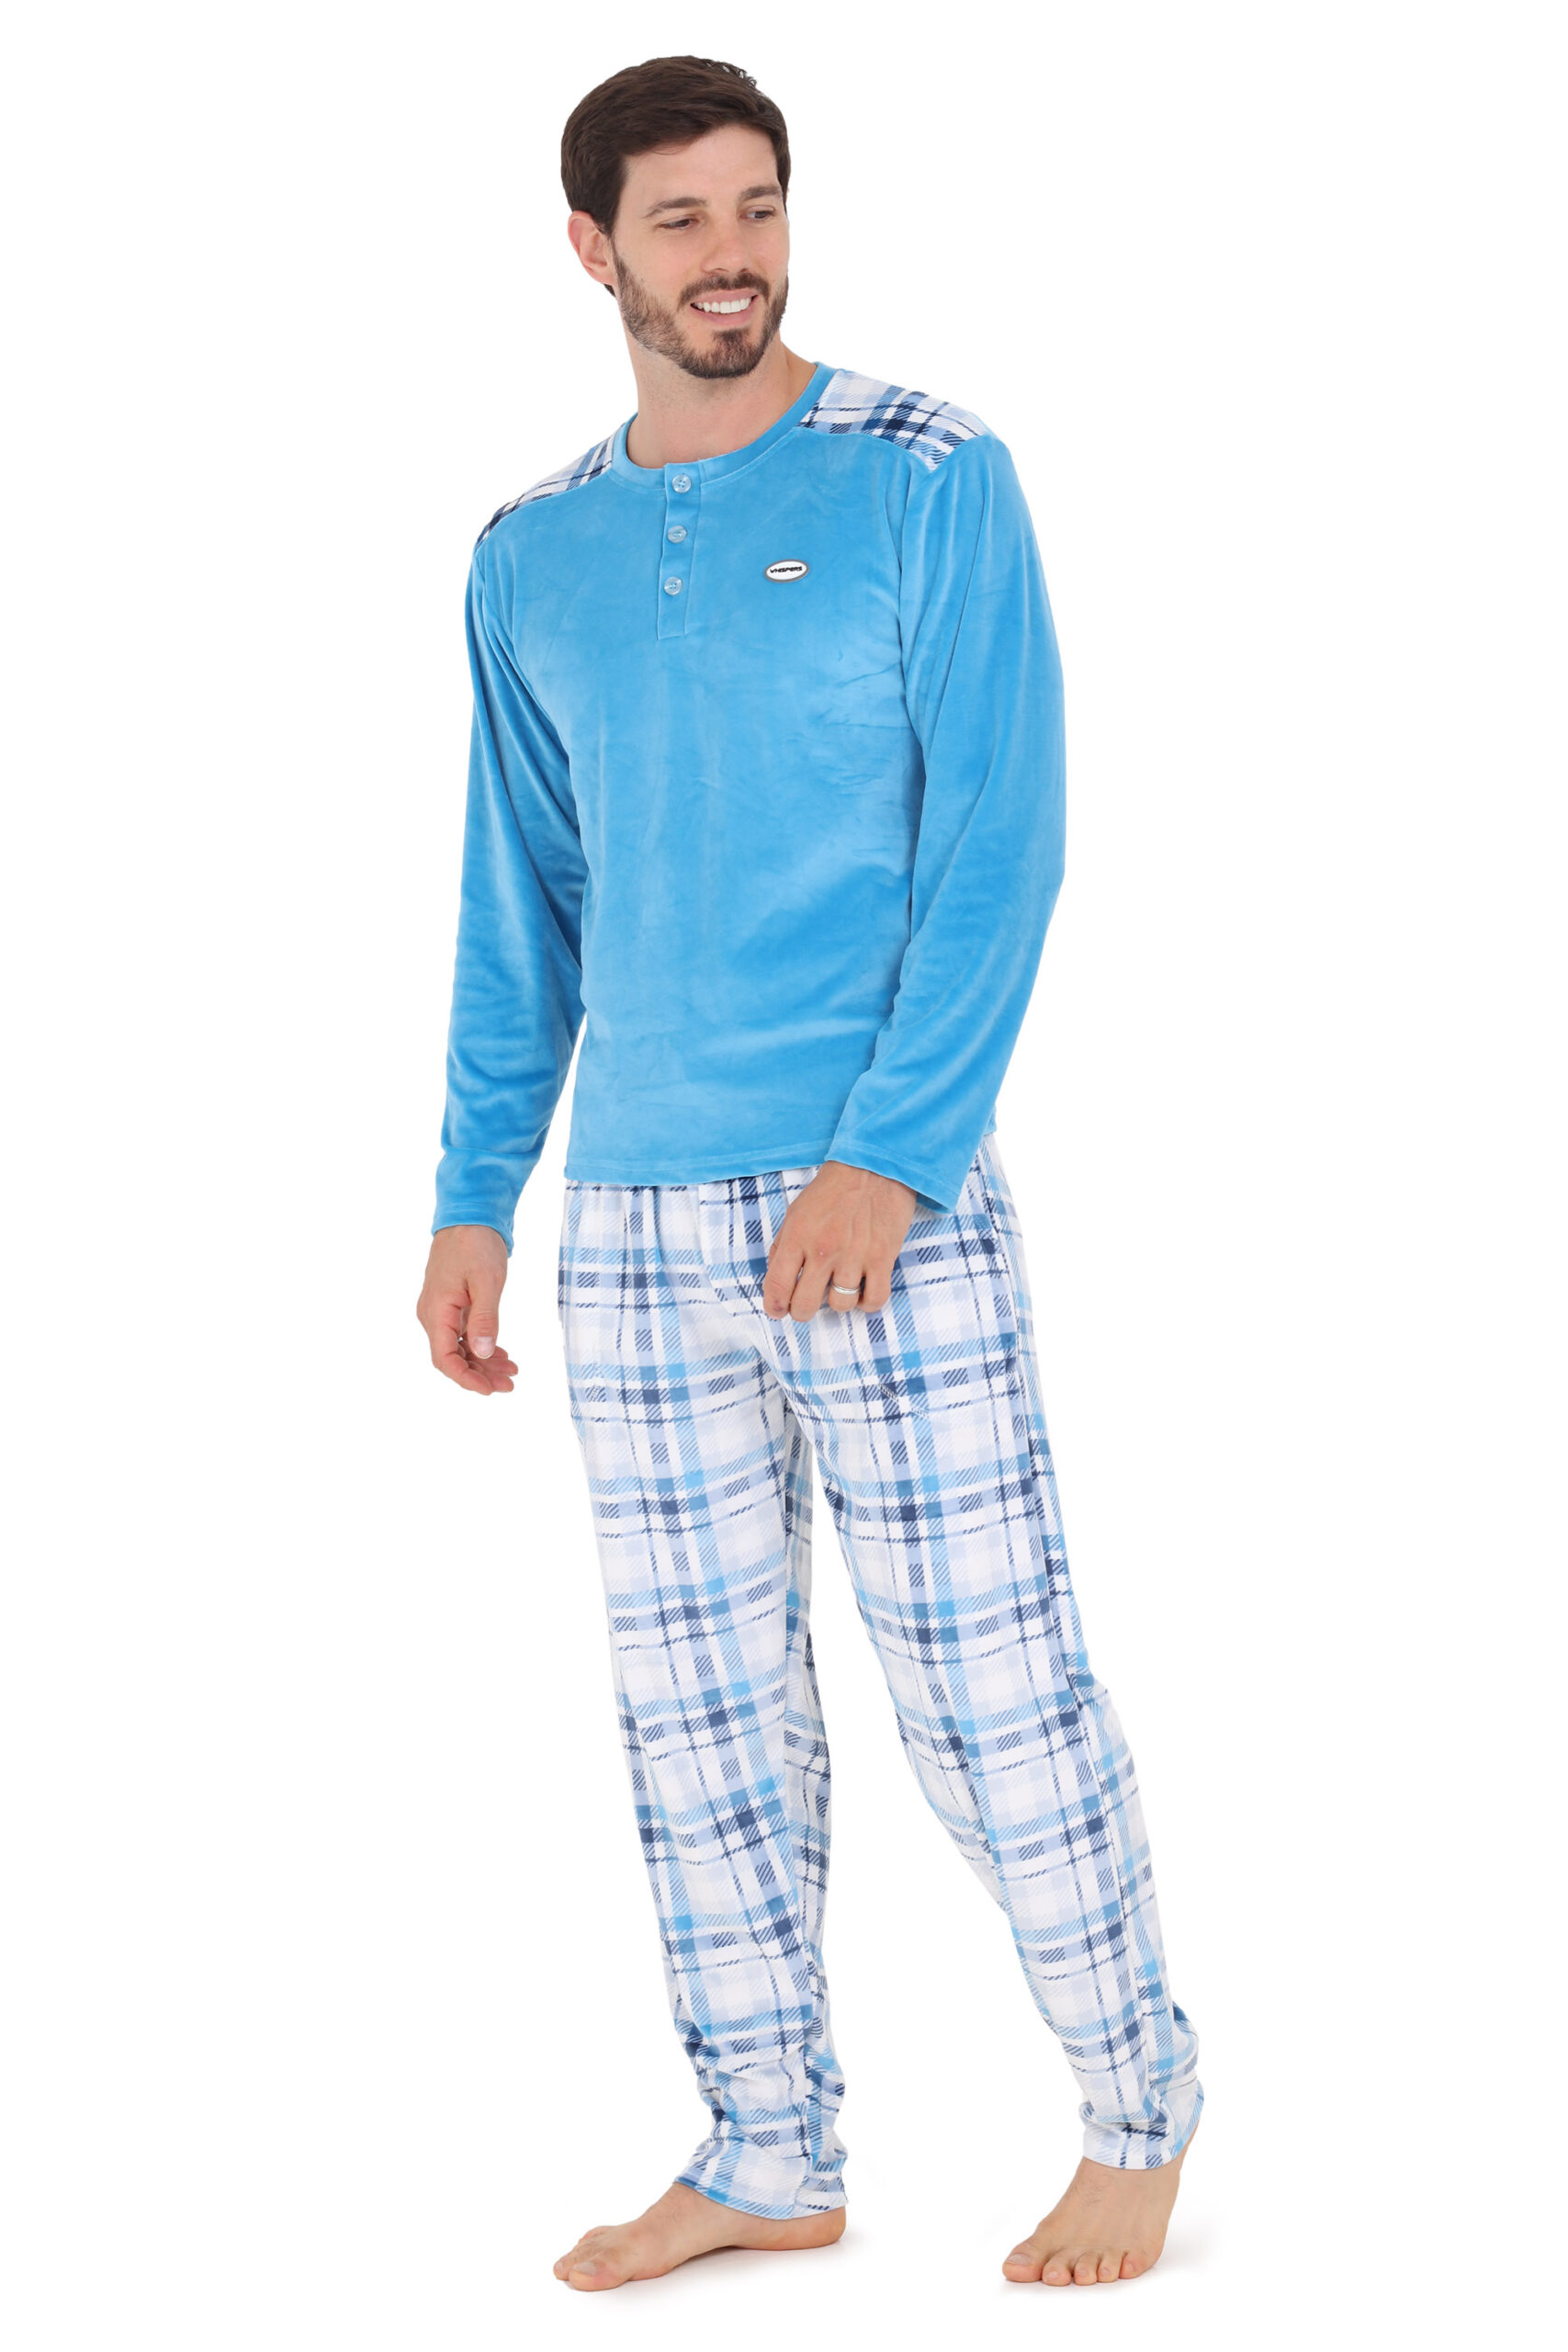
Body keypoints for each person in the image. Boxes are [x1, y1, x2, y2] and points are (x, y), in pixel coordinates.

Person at [415, 51, 1202, 2295]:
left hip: (879, 1204)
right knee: (700, 1722)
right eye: (679, 218)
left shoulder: (925, 474)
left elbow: (1000, 837)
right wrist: (477, 1186)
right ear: (591, 247)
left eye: (755, 206)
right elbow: (521, 895)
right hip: (630, 1225)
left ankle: (1136, 2104)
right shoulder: (527, 549)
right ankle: (767, 2146)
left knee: (985, 1692)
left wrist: (891, 1152)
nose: (730, 254)